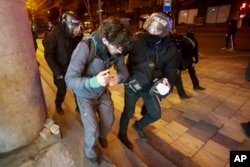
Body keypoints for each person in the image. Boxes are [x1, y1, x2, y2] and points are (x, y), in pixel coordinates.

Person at [64, 16, 132, 165]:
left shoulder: (117, 48)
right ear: (105, 40)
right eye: (117, 47)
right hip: (84, 95)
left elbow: (124, 72)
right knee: (92, 128)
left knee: (109, 120)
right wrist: (94, 81)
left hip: (102, 91)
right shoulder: (86, 46)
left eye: (122, 48)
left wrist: (118, 77)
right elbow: (69, 80)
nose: (119, 51)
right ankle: (91, 154)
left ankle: (102, 137)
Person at [118, 12, 178, 150]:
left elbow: (170, 71)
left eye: (156, 29)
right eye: (150, 27)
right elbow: (119, 56)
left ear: (164, 32)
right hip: (133, 84)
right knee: (128, 112)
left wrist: (168, 84)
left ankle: (138, 125)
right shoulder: (136, 40)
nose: (152, 31)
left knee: (155, 114)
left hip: (151, 86)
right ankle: (122, 134)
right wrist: (125, 77)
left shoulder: (169, 48)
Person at [43, 11, 82, 114]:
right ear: (65, 23)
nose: (74, 29)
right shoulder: (53, 36)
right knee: (62, 90)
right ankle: (58, 104)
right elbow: (48, 55)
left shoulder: (68, 34)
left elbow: (74, 46)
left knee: (76, 89)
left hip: (70, 66)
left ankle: (79, 106)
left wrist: (79, 36)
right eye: (72, 25)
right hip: (60, 69)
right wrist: (57, 72)